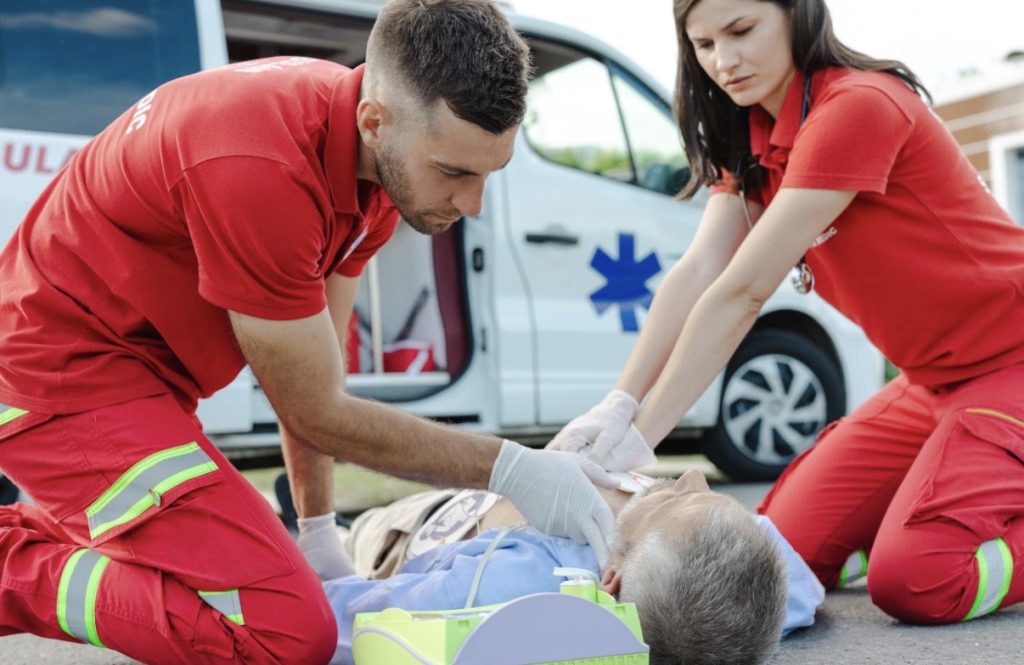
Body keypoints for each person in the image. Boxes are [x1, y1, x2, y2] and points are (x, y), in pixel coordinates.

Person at [0, 1, 618, 663]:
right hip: (60, 379)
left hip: (134, 383)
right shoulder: (259, 164)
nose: (472, 205)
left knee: (275, 589)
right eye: (454, 173)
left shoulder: (374, 168)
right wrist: (513, 469)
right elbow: (317, 412)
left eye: (489, 173)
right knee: (289, 633)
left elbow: (318, 375)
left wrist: (319, 532)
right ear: (376, 121)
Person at [550, 0, 1024, 626]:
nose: (725, 60)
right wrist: (617, 405)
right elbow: (697, 274)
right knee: (772, 558)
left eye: (742, 31)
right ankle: (917, 517)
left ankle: (922, 535)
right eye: (704, 43)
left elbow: (742, 293)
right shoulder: (751, 143)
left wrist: (640, 443)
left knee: (918, 578)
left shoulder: (857, 107)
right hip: (930, 383)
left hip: (1011, 363)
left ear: (798, 14)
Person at [309, 469, 822, 665]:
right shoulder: (760, 598)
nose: (691, 476)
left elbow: (325, 624)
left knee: (367, 530)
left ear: (611, 578)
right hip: (566, 472)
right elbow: (798, 583)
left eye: (674, 502)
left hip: (431, 520)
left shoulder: (500, 590)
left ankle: (355, 527)